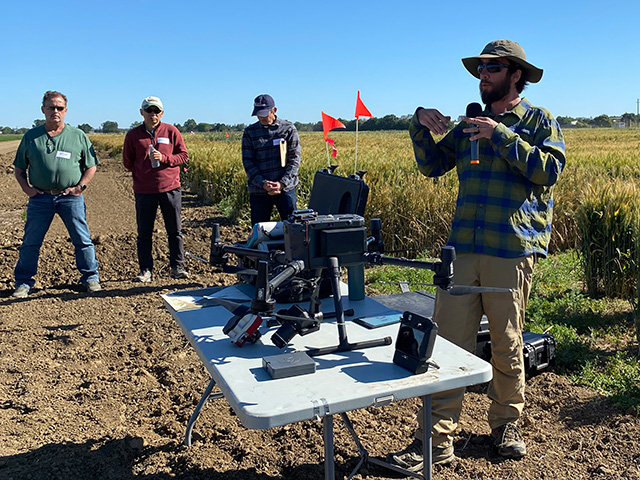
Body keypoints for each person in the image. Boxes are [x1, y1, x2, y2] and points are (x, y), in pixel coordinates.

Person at [390, 40, 566, 470]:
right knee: (447, 346)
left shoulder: (539, 120)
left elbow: (550, 170)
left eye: (493, 67)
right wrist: (418, 123)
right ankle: (434, 441)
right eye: (481, 68)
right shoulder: (469, 123)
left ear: (515, 74)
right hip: (463, 248)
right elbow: (432, 165)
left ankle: (506, 424)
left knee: (506, 344)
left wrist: (500, 136)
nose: (483, 75)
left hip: (510, 250)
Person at [12, 91, 101, 298]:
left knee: (82, 239)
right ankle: (24, 282)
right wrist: (27, 188)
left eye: (59, 108)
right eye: (51, 107)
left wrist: (81, 187)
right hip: (40, 198)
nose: (55, 111)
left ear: (66, 111)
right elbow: (19, 168)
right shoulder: (31, 137)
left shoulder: (77, 136)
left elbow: (91, 166)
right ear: (43, 109)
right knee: (31, 241)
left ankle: (90, 278)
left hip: (70, 197)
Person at [123, 96, 189, 282]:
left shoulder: (171, 131)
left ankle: (178, 267)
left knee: (174, 230)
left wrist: (166, 158)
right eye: (149, 110)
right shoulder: (133, 135)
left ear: (162, 113)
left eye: (156, 111)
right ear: (141, 112)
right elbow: (128, 162)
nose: (153, 114)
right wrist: (143, 170)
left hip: (170, 188)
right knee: (144, 232)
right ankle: (146, 270)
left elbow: (183, 155)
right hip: (144, 190)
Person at [241, 94, 301, 225]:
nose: (261, 117)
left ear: (274, 110)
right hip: (259, 190)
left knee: (293, 229)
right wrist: (263, 183)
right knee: (259, 231)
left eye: (264, 113)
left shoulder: (288, 129)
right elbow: (248, 162)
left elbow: (294, 160)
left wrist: (282, 183)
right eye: (258, 114)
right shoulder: (250, 132)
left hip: (285, 189)